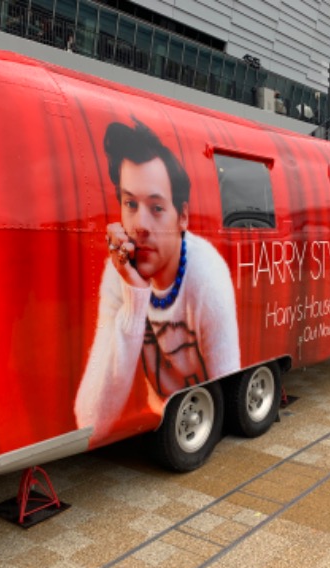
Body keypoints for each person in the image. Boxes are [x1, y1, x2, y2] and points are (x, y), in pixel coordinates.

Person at [74, 118, 241, 442]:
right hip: (158, 416)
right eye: (130, 204)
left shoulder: (207, 274)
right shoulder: (121, 270)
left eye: (156, 207)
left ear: (183, 216)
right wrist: (135, 293)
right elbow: (91, 421)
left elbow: (229, 381)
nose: (140, 225)